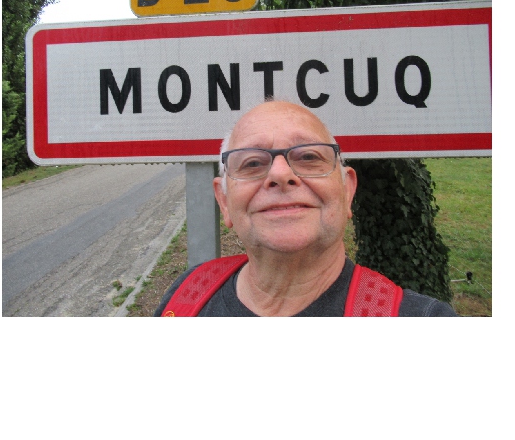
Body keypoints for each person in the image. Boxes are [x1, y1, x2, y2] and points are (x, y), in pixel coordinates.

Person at [155, 101, 457, 317]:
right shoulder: (184, 298)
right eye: (252, 163)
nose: (280, 174)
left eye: (309, 157)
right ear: (224, 201)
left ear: (347, 190)